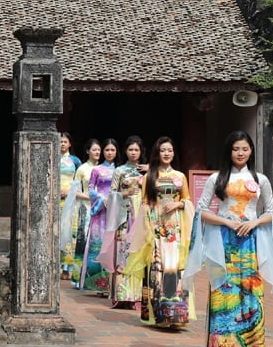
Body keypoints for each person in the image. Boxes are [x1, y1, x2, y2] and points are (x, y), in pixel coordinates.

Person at [186, 131, 273, 347]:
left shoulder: (261, 180)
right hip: (224, 244)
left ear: (251, 150)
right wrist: (227, 222)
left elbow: (271, 212)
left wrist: (253, 223)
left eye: (244, 148)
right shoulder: (217, 178)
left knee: (250, 295)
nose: (240, 153)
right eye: (235, 149)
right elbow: (201, 211)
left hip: (250, 244)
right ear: (229, 152)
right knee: (225, 294)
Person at [125, 136, 194, 328]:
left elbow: (187, 200)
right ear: (157, 153)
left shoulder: (180, 176)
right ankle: (160, 315)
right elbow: (145, 202)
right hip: (156, 229)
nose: (166, 153)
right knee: (157, 270)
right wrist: (149, 226)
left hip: (174, 230)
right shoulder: (149, 176)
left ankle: (176, 315)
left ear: (174, 153)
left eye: (170, 150)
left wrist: (177, 204)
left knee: (173, 269)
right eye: (163, 150)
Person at [99, 136, 147, 309]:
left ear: (141, 151)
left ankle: (137, 296)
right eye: (130, 149)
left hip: (141, 217)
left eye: (137, 150)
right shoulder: (119, 171)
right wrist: (124, 195)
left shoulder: (147, 171)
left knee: (138, 253)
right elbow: (112, 194)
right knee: (122, 253)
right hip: (124, 217)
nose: (133, 153)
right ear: (125, 151)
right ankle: (121, 294)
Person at [79, 139, 118, 294]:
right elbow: (90, 189)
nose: (109, 153)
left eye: (112, 150)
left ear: (116, 152)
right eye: (107, 150)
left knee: (114, 245)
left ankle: (113, 283)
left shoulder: (120, 170)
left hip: (116, 211)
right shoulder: (97, 170)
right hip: (100, 211)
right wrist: (102, 199)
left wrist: (115, 199)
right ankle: (98, 284)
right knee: (98, 245)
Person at [68, 139, 101, 289]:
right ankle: (78, 278)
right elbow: (74, 191)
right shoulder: (82, 169)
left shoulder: (104, 169)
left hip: (102, 209)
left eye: (99, 150)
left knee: (98, 245)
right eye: (94, 150)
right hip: (86, 208)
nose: (97, 152)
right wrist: (92, 197)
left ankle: (96, 280)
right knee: (82, 243)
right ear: (87, 151)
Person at [58, 132, 82, 279]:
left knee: (68, 232)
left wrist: (70, 191)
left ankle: (66, 267)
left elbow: (80, 182)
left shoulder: (76, 161)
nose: (62, 144)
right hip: (54, 199)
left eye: (65, 141)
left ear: (70, 144)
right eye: (60, 141)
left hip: (70, 199)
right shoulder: (50, 157)